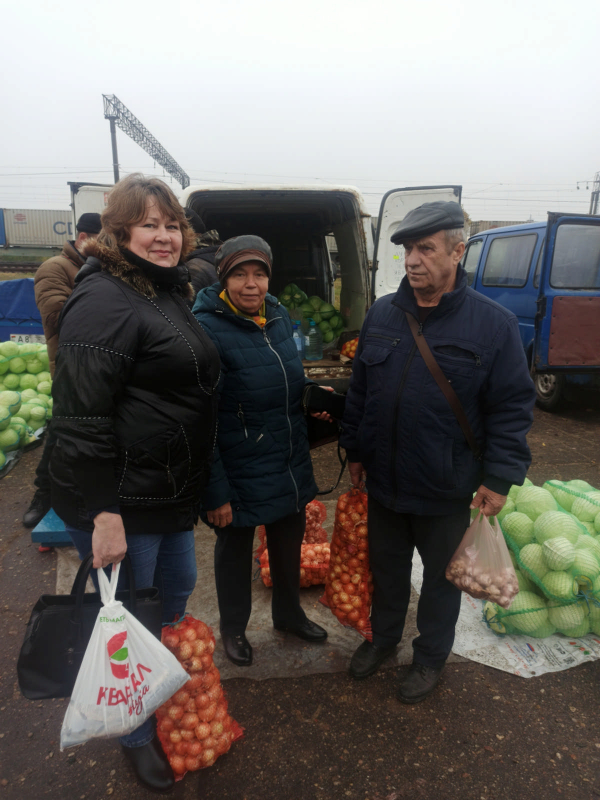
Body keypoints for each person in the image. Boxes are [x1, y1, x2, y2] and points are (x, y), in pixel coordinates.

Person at [49, 174, 221, 793]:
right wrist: (103, 514)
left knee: (175, 592)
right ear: (118, 233)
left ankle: (159, 692)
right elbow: (80, 419)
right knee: (129, 619)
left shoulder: (158, 290)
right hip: (121, 497)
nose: (165, 236)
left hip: (164, 490)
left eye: (172, 224)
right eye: (148, 224)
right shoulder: (103, 301)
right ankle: (135, 734)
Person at [340, 201, 536, 704]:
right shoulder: (383, 313)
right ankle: (382, 640)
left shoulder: (492, 325)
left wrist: (499, 478)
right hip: (384, 481)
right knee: (385, 572)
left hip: (445, 485)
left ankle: (429, 658)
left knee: (440, 582)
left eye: (426, 248)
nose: (412, 259)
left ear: (457, 251)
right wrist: (355, 450)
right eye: (408, 248)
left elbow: (512, 406)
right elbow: (361, 390)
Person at [193, 235, 328, 667]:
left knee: (287, 545)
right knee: (234, 552)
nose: (251, 284)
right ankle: (234, 629)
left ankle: (288, 615)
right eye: (239, 274)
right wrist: (214, 491)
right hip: (237, 466)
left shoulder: (279, 315)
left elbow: (282, 378)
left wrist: (312, 395)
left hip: (286, 458)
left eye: (260, 273)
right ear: (223, 277)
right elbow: (201, 418)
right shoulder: (206, 328)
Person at [22, 213, 102, 528]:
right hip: (70, 368)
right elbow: (57, 317)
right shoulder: (54, 268)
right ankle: (43, 495)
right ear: (83, 237)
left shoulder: (98, 266)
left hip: (100, 367)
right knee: (59, 434)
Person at [183, 208, 222, 301]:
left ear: (191, 234)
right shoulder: (222, 253)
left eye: (173, 228)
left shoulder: (193, 268)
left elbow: (188, 312)